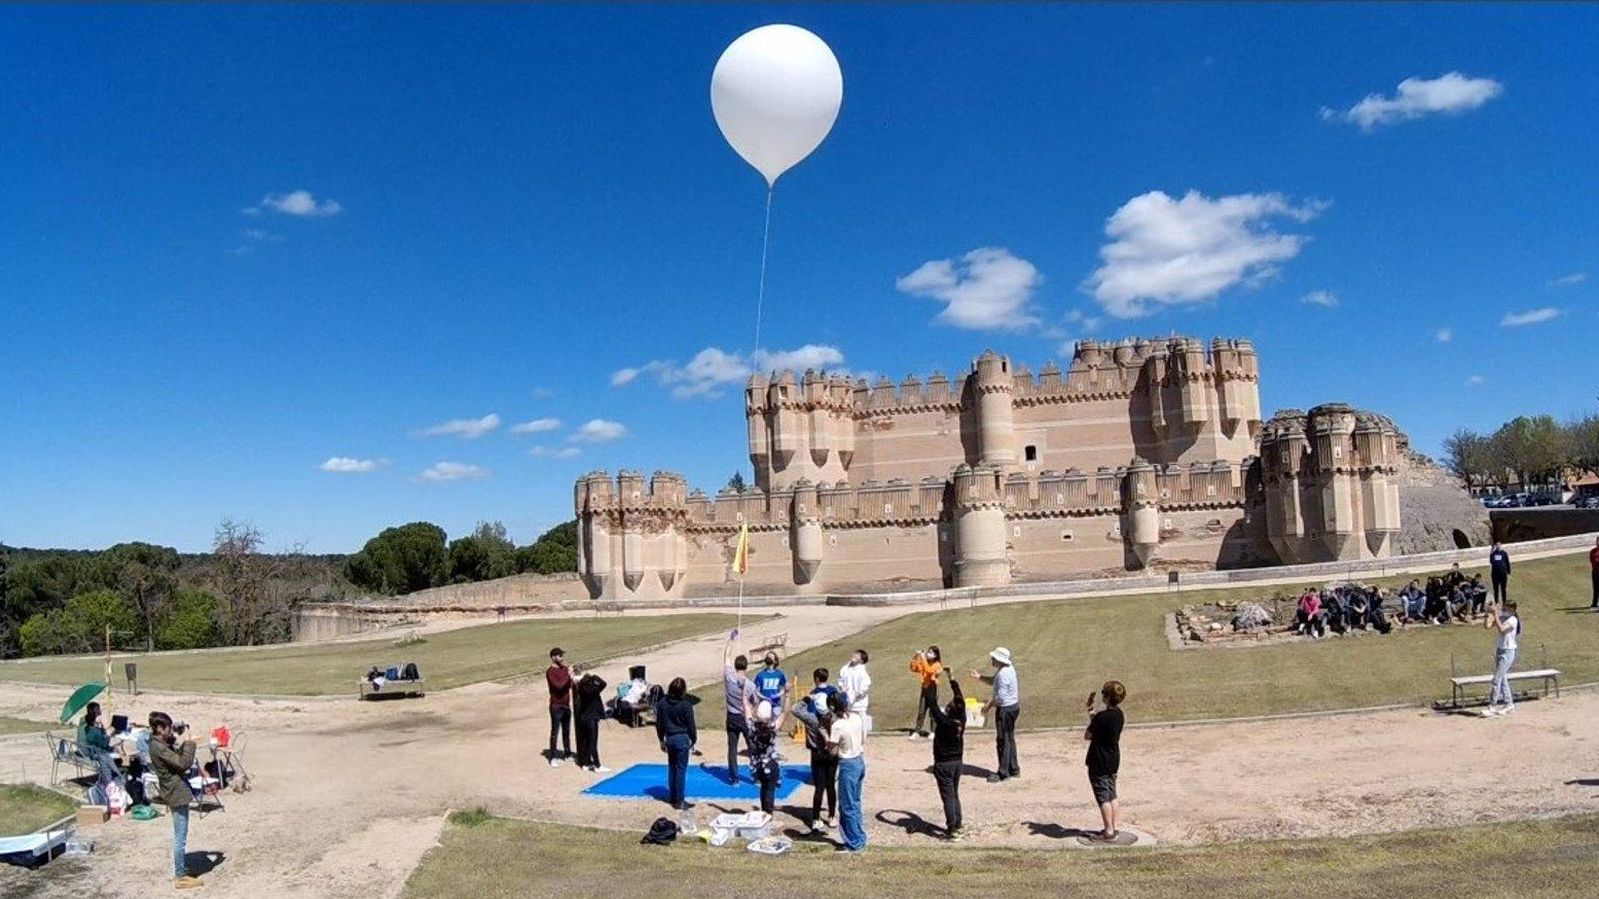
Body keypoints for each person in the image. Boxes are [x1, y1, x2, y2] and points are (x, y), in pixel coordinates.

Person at [148, 711, 202, 890]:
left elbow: (175, 758)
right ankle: (180, 876)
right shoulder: (158, 747)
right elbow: (183, 763)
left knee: (181, 834)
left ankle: (181, 870)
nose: (171, 730)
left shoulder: (159, 743)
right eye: (168, 727)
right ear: (159, 728)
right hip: (175, 793)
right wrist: (189, 741)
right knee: (181, 837)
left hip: (174, 791)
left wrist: (177, 739)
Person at [924, 668, 966, 840]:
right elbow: (959, 699)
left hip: (943, 764)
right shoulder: (961, 719)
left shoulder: (944, 722)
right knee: (954, 794)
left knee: (948, 797)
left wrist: (932, 681)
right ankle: (958, 824)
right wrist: (952, 678)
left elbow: (931, 703)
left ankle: (952, 829)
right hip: (957, 763)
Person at [1083, 681, 1126, 842]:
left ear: (1107, 697)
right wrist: (1090, 710)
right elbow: (1098, 723)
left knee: (1103, 797)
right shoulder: (1119, 715)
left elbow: (1088, 735)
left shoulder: (1102, 718)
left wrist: (1092, 715)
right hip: (1113, 758)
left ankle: (1108, 831)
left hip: (1099, 760)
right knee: (1112, 794)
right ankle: (1113, 826)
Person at [791, 686, 838, 832]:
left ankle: (816, 818)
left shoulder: (811, 719)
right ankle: (831, 816)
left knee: (819, 787)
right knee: (830, 786)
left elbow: (795, 709)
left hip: (816, 754)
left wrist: (807, 698)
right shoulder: (834, 717)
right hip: (832, 754)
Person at [826, 692, 868, 852]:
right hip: (859, 760)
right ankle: (859, 836)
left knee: (847, 806)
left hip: (847, 764)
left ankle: (853, 843)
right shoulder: (857, 718)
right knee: (855, 803)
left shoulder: (837, 726)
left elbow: (833, 750)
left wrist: (827, 739)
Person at [972, 647, 1020, 783]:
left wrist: (987, 707)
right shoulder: (1007, 669)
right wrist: (979, 677)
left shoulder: (1003, 674)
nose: (992, 660)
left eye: (994, 658)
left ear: (999, 660)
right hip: (1013, 707)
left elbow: (1000, 698)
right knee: (1009, 738)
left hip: (1005, 710)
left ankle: (1003, 772)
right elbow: (993, 681)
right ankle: (1014, 768)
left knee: (1002, 741)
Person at [654, 677, 698, 810]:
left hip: (670, 738)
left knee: (672, 768)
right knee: (680, 770)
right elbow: (691, 725)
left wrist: (661, 739)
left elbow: (659, 724)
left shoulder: (662, 704)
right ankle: (679, 800)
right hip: (682, 738)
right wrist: (693, 739)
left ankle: (673, 796)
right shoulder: (685, 705)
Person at [743, 697, 788, 815]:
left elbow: (746, 708)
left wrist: (744, 694)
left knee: (763, 788)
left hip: (756, 766)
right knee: (770, 790)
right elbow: (785, 712)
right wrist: (787, 695)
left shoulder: (751, 727)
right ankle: (768, 814)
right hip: (770, 765)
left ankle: (764, 812)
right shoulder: (772, 728)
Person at [722, 635, 757, 784]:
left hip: (731, 717)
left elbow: (726, 656)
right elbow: (755, 703)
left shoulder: (729, 676)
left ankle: (734, 779)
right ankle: (756, 777)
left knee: (732, 749)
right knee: (753, 748)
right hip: (744, 717)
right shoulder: (750, 685)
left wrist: (731, 640)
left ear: (736, 666)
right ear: (746, 667)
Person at [1482, 600, 1521, 718]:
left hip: (1508, 652)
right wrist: (1487, 614)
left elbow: (1502, 630)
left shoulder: (1513, 620)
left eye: (1506, 608)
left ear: (1513, 610)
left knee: (1496, 679)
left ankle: (1492, 706)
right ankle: (1509, 705)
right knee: (1503, 679)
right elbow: (1487, 626)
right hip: (1500, 650)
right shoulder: (1503, 616)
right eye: (1504, 608)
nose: (1504, 610)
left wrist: (1496, 614)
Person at [76, 701, 123, 787]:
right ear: (97, 714)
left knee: (115, 749)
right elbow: (104, 744)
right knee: (117, 753)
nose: (101, 713)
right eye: (99, 711)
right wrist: (107, 734)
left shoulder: (85, 724)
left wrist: (100, 727)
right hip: (92, 753)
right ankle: (115, 777)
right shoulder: (93, 730)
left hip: (85, 750)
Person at [573, 669, 610, 772]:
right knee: (593, 741)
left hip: (584, 717)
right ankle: (597, 765)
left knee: (585, 740)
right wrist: (594, 677)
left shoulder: (580, 688)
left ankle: (586, 763)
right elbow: (603, 683)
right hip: (592, 718)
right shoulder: (593, 690)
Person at [545, 647, 574, 767]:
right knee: (555, 731)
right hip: (556, 706)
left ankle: (567, 753)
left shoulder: (565, 669)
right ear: (553, 657)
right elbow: (559, 686)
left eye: (562, 655)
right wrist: (568, 675)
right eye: (560, 655)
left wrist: (572, 676)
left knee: (566, 731)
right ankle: (553, 757)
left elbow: (570, 685)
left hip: (566, 704)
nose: (562, 658)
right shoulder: (550, 672)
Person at [908, 646, 943, 739]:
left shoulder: (937, 664)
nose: (928, 654)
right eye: (928, 652)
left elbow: (929, 670)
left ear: (935, 655)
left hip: (933, 689)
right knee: (921, 711)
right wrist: (916, 656)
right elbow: (913, 668)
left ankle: (933, 731)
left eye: (931, 653)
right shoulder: (924, 662)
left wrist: (923, 658)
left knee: (933, 711)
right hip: (925, 689)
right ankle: (917, 731)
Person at [837, 649, 872, 733]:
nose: (854, 655)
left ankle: (860, 746)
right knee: (848, 730)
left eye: (857, 655)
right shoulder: (845, 668)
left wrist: (856, 694)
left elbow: (865, 686)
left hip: (858, 707)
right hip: (846, 706)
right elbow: (840, 680)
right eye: (854, 653)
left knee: (861, 731)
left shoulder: (862, 672)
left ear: (861, 660)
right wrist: (842, 688)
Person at [1589, 536, 1599, 609]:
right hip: (1595, 572)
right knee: (1595, 588)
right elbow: (1592, 560)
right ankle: (1594, 603)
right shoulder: (1593, 551)